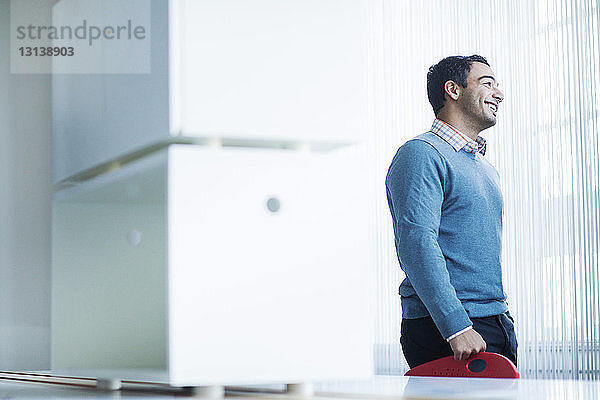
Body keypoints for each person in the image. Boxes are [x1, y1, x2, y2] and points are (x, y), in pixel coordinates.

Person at [385, 55, 517, 369]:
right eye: (487, 83)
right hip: (449, 328)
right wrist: (455, 325)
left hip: (492, 321)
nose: (499, 93)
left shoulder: (484, 167)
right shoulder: (421, 154)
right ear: (453, 90)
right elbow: (417, 245)